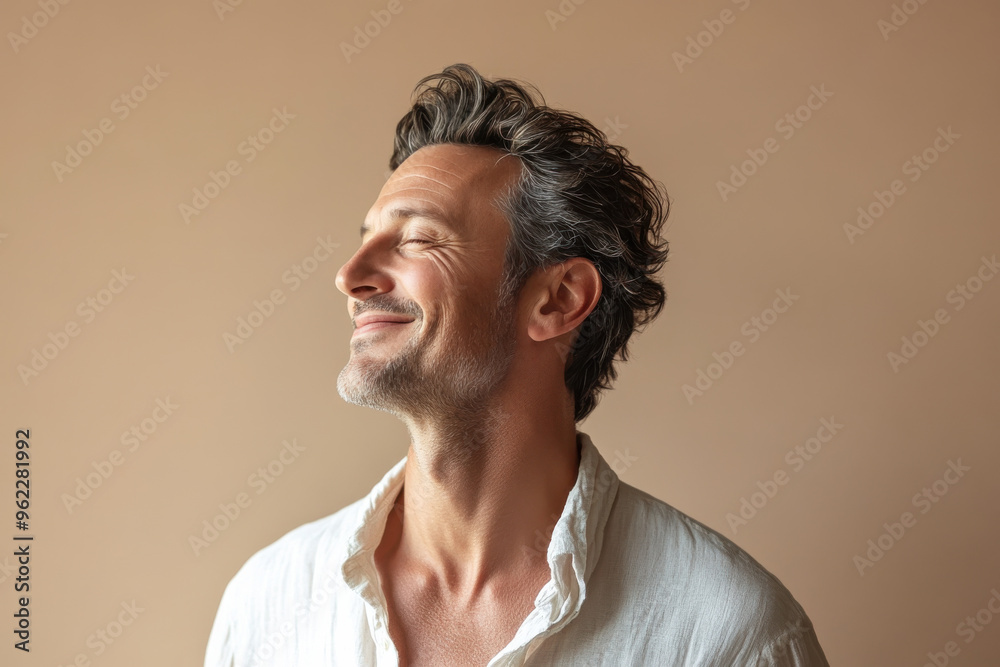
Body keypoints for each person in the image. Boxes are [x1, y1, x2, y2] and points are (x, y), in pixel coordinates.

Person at [204, 63, 829, 666]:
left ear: (557, 300)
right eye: (363, 238)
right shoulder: (270, 601)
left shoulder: (729, 635)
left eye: (418, 238)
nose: (350, 276)